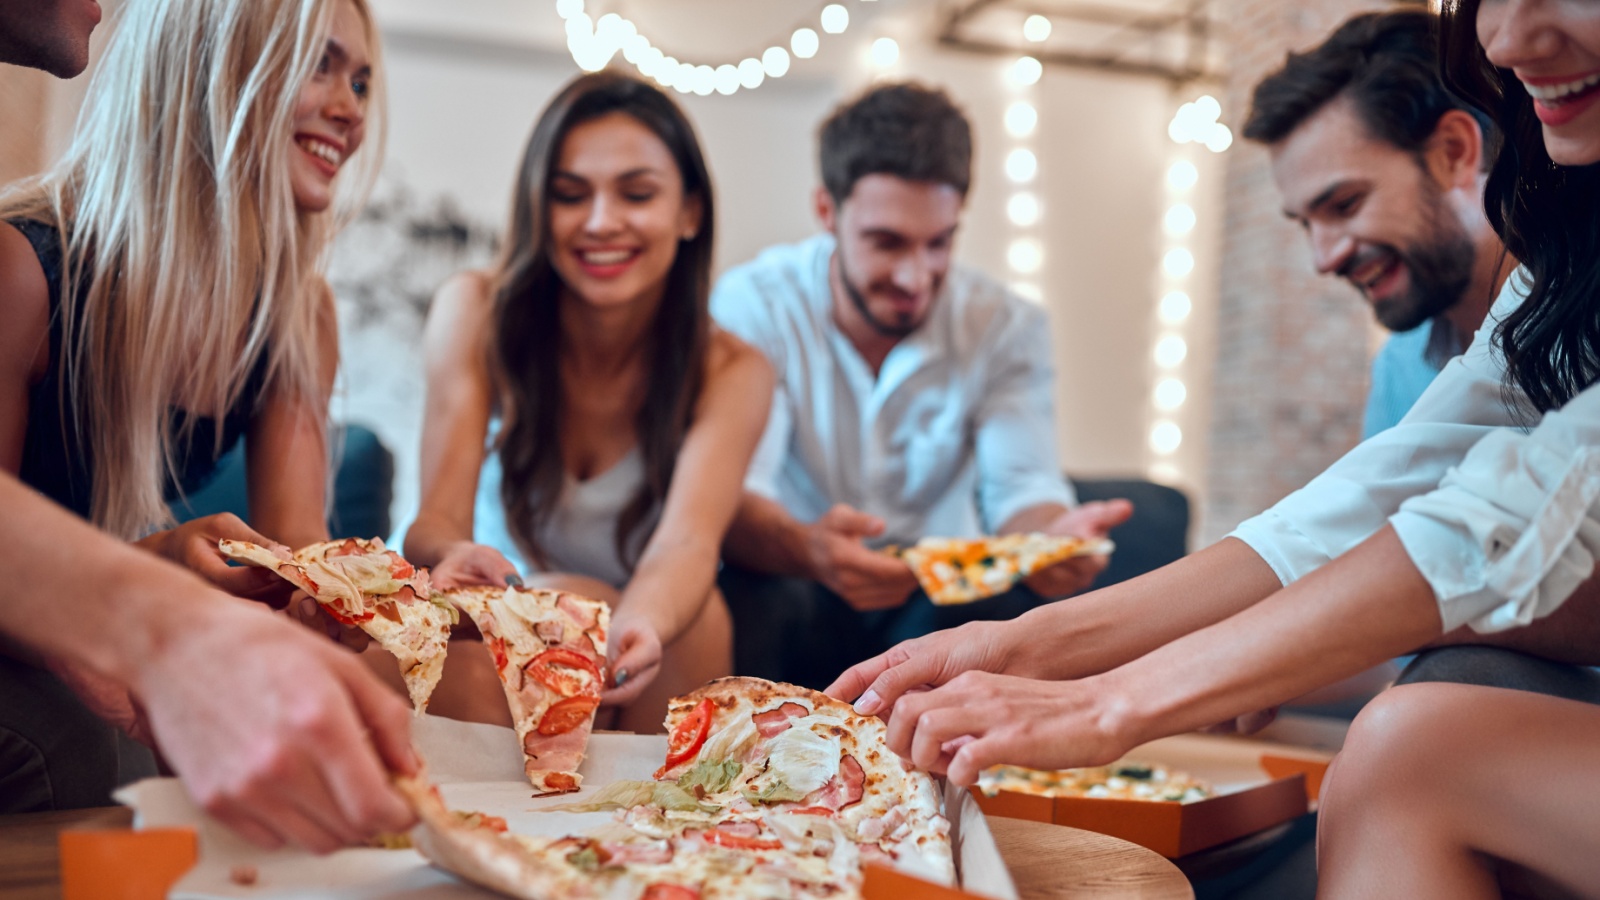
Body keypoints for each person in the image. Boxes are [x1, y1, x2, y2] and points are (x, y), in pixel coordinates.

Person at [831, 0, 1600, 891]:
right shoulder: (1552, 276)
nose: (1505, 39)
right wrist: (1021, 644)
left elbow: (1511, 521)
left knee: (1411, 741)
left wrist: (1121, 696)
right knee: (1442, 694)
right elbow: (1360, 506)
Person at [0, 0, 418, 851]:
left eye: (363, 80)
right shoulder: (24, 272)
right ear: (209, 67)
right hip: (27, 642)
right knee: (90, 743)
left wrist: (411, 602)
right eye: (320, 65)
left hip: (102, 622)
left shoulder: (300, 316)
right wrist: (152, 579)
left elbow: (305, 555)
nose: (351, 107)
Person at [710, 82, 1131, 690]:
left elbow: (1022, 487)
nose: (916, 276)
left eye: (939, 243)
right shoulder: (755, 303)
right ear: (826, 211)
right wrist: (809, 548)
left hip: (937, 600)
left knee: (1009, 620)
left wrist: (1050, 540)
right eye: (887, 243)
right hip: (793, 580)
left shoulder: (1007, 326)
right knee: (746, 596)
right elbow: (737, 491)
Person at [402, 71, 772, 734]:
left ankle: (667, 825)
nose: (601, 222)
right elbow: (434, 525)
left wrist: (636, 625)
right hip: (502, 630)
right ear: (538, 209)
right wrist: (456, 557)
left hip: (663, 637)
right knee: (557, 604)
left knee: (701, 614)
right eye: (571, 195)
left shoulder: (734, 368)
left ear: (690, 211)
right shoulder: (475, 310)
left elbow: (687, 541)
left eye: (637, 194)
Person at [1242, 9, 1516, 439]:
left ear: (1453, 151)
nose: (1324, 258)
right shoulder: (1399, 367)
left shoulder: (1583, 329)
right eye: (1305, 224)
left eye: (1345, 204)